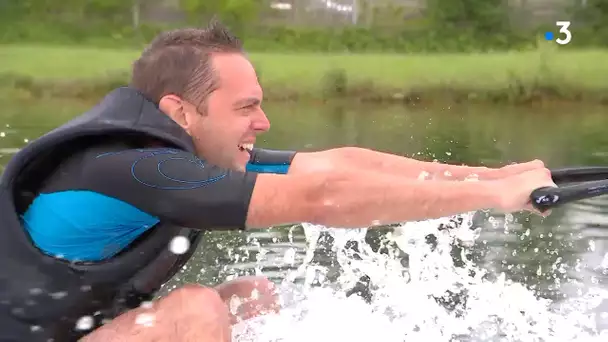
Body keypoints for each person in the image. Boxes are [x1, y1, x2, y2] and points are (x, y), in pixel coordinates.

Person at [0, 20, 557, 342]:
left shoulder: (181, 159)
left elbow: (338, 166)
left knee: (251, 297)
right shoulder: (132, 167)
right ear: (181, 112)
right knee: (197, 310)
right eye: (246, 107)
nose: (262, 124)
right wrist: (489, 198)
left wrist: (499, 176)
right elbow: (320, 196)